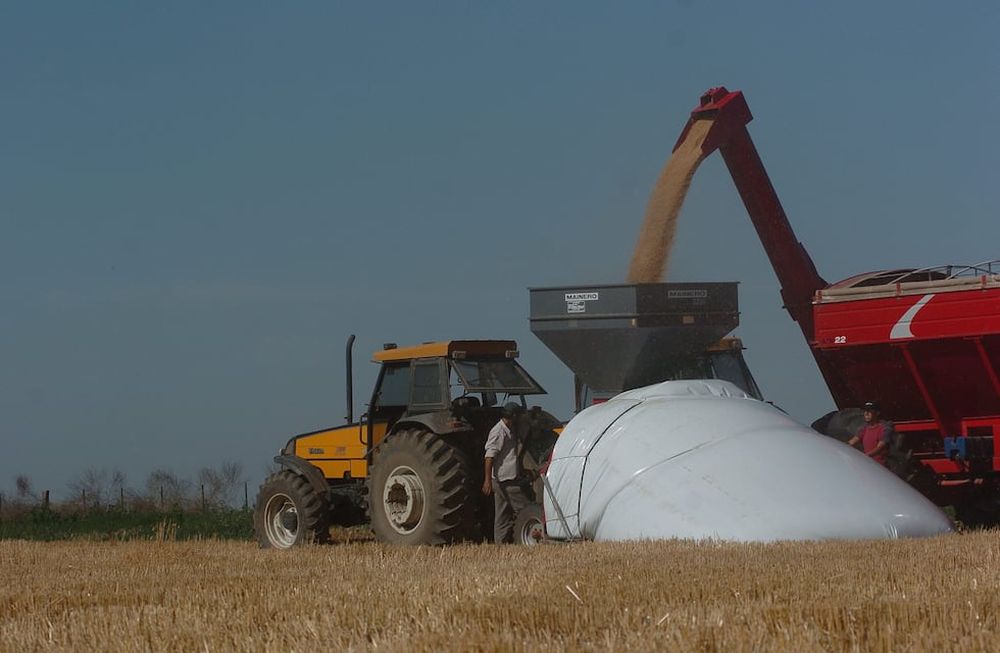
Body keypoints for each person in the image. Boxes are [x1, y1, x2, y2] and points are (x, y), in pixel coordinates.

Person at [482, 401, 530, 543]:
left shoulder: (509, 429)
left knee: (502, 515)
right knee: (524, 509)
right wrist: (487, 480)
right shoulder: (498, 432)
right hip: (505, 480)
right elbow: (489, 457)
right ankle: (529, 538)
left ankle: (500, 544)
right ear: (513, 416)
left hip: (502, 479)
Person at [846, 401, 895, 466]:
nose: (866, 413)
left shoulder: (885, 428)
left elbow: (880, 447)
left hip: (881, 467)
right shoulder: (864, 428)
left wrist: (865, 456)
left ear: (877, 413)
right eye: (865, 411)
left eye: (870, 411)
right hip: (868, 465)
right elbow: (851, 442)